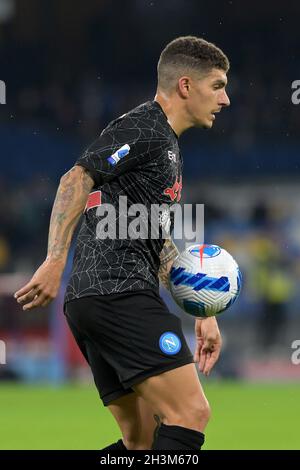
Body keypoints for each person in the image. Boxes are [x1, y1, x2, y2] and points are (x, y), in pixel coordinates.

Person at [14, 36, 230, 450]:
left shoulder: (166, 146)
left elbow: (155, 238)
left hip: (93, 299)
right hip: (119, 293)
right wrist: (55, 259)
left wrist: (202, 308)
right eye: (218, 86)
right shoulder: (144, 126)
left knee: (141, 440)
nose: (226, 99)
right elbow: (75, 179)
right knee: (191, 413)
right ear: (186, 86)